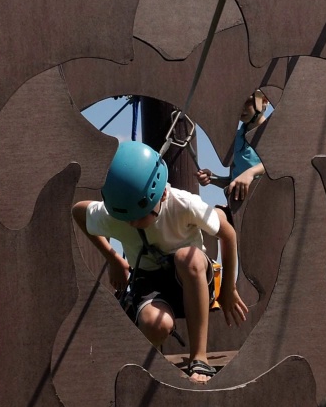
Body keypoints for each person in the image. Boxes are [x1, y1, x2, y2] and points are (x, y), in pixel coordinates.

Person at [73, 141, 248, 384]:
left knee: (187, 258)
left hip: (192, 279)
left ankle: (199, 357)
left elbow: (227, 233)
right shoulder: (119, 213)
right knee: (156, 324)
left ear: (162, 193)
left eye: (140, 216)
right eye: (127, 219)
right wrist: (112, 257)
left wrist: (228, 289)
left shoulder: (184, 204)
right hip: (150, 280)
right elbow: (79, 211)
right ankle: (148, 369)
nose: (132, 224)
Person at [197, 90, 268, 206]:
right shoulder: (236, 138)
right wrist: (213, 179)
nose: (241, 108)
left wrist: (251, 173)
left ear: (264, 101)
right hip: (241, 208)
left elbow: (280, 163)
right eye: (236, 103)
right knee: (216, 218)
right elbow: (234, 179)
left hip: (268, 204)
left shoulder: (274, 131)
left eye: (247, 101)